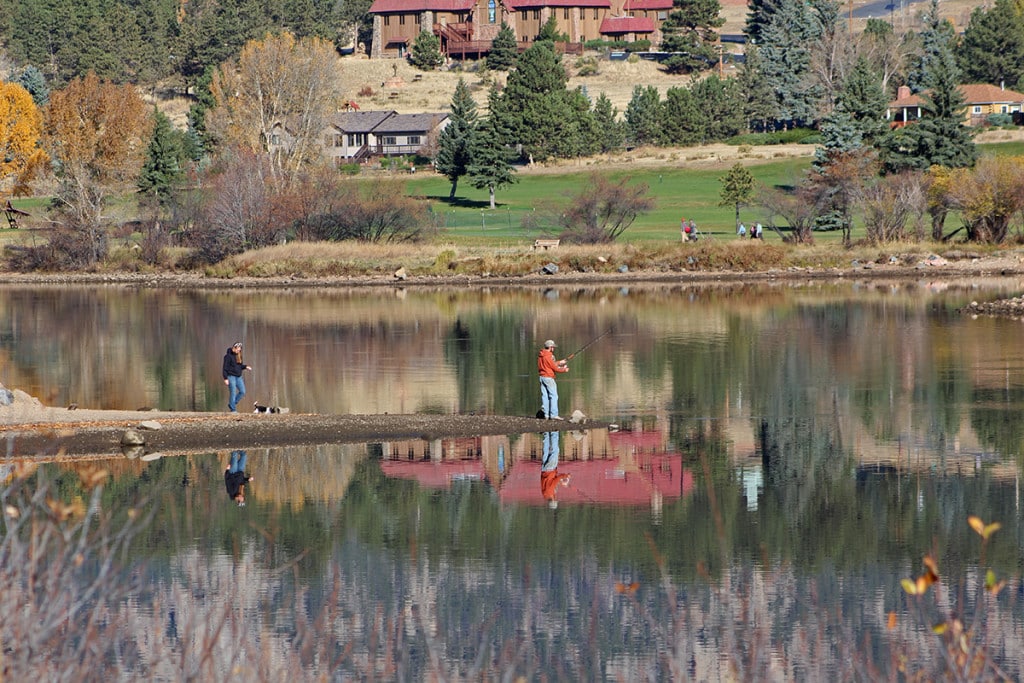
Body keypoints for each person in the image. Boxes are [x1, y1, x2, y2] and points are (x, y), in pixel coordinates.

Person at [537, 339, 569, 420]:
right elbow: (554, 368)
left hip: (542, 377)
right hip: (549, 378)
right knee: (554, 396)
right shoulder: (549, 356)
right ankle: (554, 415)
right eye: (553, 347)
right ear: (550, 347)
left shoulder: (541, 355)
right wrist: (564, 370)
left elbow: (549, 364)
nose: (554, 349)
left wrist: (560, 362)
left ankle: (546, 415)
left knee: (545, 396)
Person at [540, 431, 570, 509]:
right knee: (546, 451)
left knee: (555, 452)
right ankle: (546, 434)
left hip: (550, 468)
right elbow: (551, 481)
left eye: (555, 500)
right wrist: (561, 483)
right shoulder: (544, 494)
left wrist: (566, 476)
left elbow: (557, 478)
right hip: (544, 470)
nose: (556, 498)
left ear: (553, 500)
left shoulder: (550, 492)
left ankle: (554, 433)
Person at [222, 341, 251, 412]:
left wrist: (246, 367)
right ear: (234, 348)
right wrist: (225, 378)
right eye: (238, 349)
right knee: (233, 392)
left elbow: (239, 366)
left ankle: (232, 404)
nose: (239, 351)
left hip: (238, 377)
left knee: (242, 391)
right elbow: (224, 368)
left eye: (240, 349)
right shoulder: (228, 356)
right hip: (231, 376)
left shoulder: (239, 355)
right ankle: (233, 410)